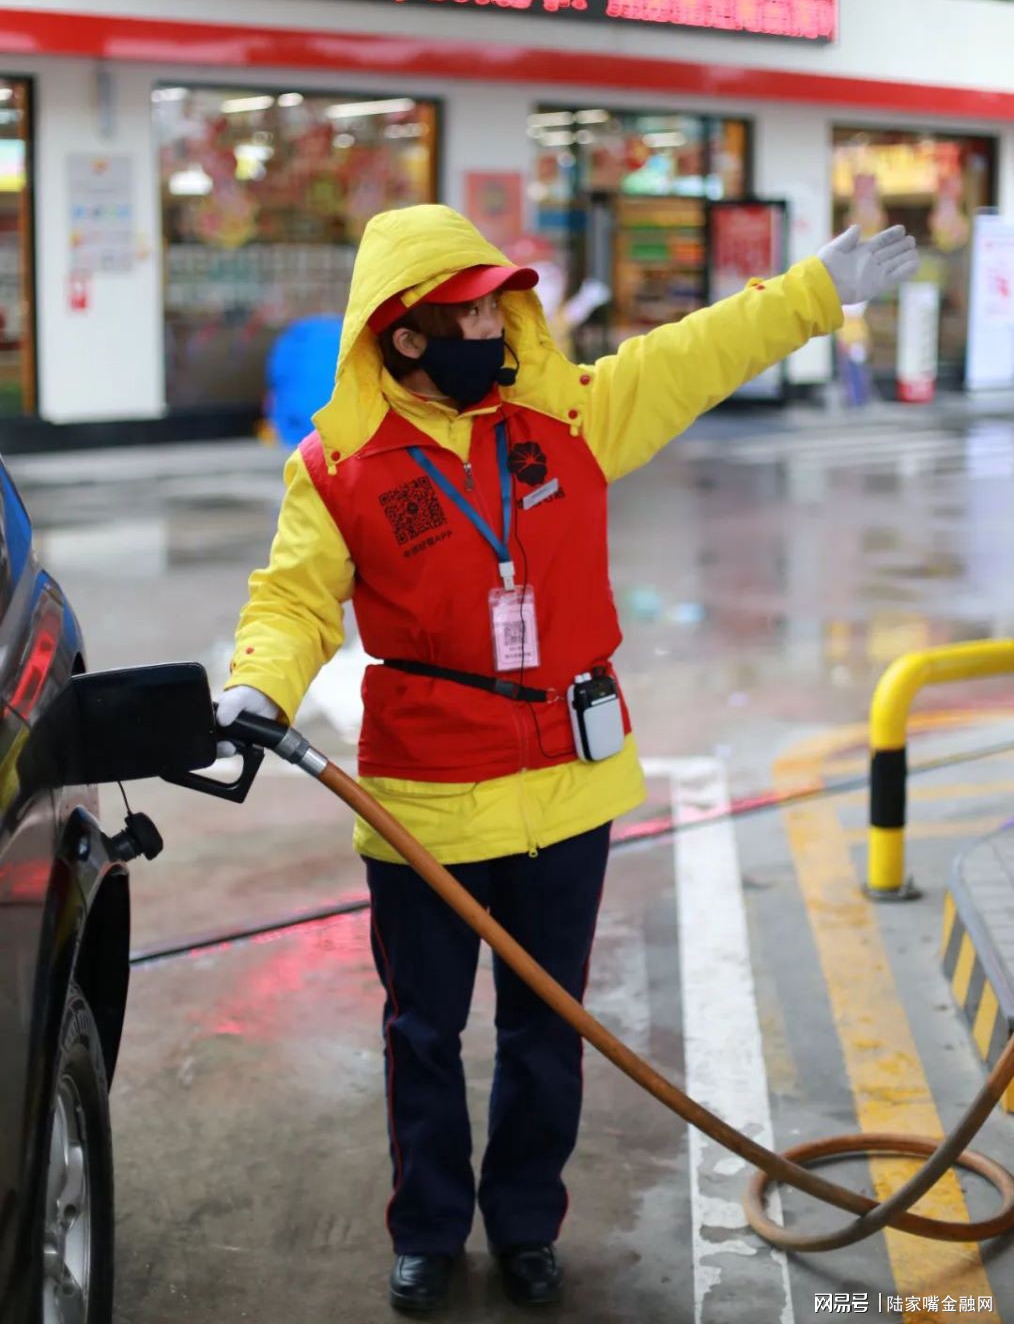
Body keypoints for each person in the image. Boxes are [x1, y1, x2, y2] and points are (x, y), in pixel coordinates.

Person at [216, 206, 917, 1314]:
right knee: (424, 1033)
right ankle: (431, 1229)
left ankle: (528, 1221)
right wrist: (260, 675)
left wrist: (813, 290)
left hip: (567, 786)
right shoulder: (338, 466)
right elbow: (294, 597)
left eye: (501, 304)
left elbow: (691, 355)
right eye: (470, 310)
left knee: (550, 1028)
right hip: (427, 802)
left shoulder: (565, 415)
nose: (496, 324)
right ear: (404, 333)